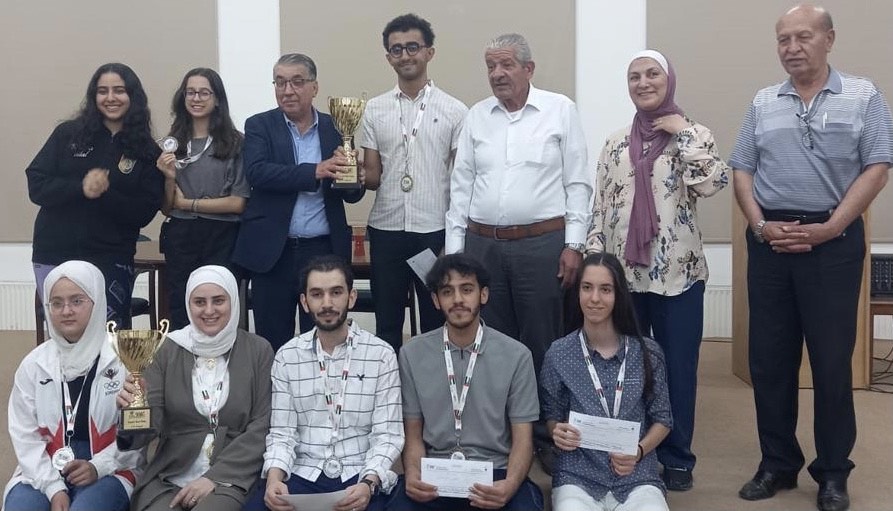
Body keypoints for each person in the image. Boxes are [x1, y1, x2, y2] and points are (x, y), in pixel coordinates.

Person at [730, 5, 892, 511]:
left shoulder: (863, 95)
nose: (792, 47)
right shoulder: (763, 101)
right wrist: (759, 225)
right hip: (772, 245)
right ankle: (777, 463)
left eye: (803, 36)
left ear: (829, 39)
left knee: (830, 362)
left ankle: (833, 472)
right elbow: (742, 169)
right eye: (783, 39)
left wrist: (832, 227)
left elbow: (878, 166)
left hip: (833, 244)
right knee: (770, 362)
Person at [444, 33, 591, 466]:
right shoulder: (477, 116)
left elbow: (577, 182)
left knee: (544, 342)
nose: (497, 73)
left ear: (529, 69)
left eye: (506, 64)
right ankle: (504, 434)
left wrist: (574, 243)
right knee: (492, 344)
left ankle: (546, 436)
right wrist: (455, 256)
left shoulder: (559, 110)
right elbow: (461, 187)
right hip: (482, 246)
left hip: (542, 245)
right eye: (491, 66)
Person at [585, 49, 729, 491]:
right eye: (635, 77)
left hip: (677, 277)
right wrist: (594, 262)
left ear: (669, 81)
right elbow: (600, 207)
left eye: (652, 74)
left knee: (678, 368)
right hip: (624, 279)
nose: (643, 83)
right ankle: (626, 450)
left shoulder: (693, 134)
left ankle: (677, 457)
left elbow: (712, 183)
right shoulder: (615, 144)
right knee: (625, 368)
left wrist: (682, 132)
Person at [245, 255, 402, 511]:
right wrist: (274, 479)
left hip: (360, 472)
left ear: (351, 297)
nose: (327, 303)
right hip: (303, 473)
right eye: (317, 294)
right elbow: (282, 433)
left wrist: (368, 482)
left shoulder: (381, 354)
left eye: (336, 293)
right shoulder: (287, 356)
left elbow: (388, 434)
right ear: (304, 302)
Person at [231, 53, 365, 352]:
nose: (287, 90)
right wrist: (315, 170)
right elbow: (258, 173)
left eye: (297, 82)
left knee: (322, 340)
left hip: (322, 251)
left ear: (314, 87)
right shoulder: (260, 125)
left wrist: (354, 176)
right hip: (273, 253)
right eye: (280, 83)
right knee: (271, 341)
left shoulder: (336, 127)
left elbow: (351, 195)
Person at [390, 254, 544, 511]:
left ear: (483, 295)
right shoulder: (412, 354)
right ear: (435, 300)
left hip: (495, 472)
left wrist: (510, 484)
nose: (458, 299)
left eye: (467, 289)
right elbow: (413, 434)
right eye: (447, 292)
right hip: (436, 472)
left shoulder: (517, 355)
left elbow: (523, 440)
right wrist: (414, 473)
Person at [116, 265, 273, 511]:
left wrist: (214, 477)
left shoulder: (258, 350)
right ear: (188, 305)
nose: (209, 310)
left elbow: (262, 425)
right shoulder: (164, 349)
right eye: (199, 302)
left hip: (231, 476)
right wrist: (133, 410)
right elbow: (147, 430)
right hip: (169, 475)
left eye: (218, 301)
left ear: (233, 301)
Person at [361, 13, 468, 353]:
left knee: (435, 322)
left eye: (412, 47)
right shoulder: (374, 109)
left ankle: (432, 385)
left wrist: (454, 239)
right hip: (386, 230)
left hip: (432, 231)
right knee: (387, 323)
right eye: (396, 49)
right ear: (388, 57)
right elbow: (373, 177)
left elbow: (462, 180)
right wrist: (350, 169)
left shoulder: (455, 110)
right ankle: (388, 385)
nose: (405, 55)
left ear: (429, 52)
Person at [27, 63, 164, 328]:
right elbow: (37, 184)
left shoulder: (146, 150)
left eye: (119, 90)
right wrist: (81, 188)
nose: (110, 98)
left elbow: (144, 212)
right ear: (94, 96)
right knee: (65, 335)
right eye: (103, 91)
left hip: (110, 258)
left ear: (133, 96)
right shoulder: (68, 134)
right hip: (54, 252)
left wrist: (105, 193)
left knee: (110, 338)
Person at [4, 261, 141, 511]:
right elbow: (25, 436)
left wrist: (98, 466)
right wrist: (53, 488)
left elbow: (137, 438)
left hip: (111, 467)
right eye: (57, 303)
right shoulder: (34, 365)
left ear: (97, 302)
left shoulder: (124, 360)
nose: (66, 311)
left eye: (77, 301)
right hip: (46, 466)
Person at [541, 253, 673, 511]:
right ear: (577, 292)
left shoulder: (648, 352)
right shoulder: (559, 353)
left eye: (605, 289)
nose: (594, 298)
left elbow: (663, 419)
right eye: (586, 288)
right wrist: (557, 431)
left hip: (636, 474)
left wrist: (638, 451)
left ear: (618, 295)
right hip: (578, 476)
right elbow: (552, 415)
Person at [156, 68, 249, 330]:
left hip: (223, 236)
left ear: (217, 99)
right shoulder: (171, 144)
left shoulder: (236, 143)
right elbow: (166, 207)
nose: (196, 98)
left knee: (220, 306)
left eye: (204, 93)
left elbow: (237, 203)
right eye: (190, 92)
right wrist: (169, 178)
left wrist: (188, 204)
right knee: (182, 306)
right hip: (181, 235)